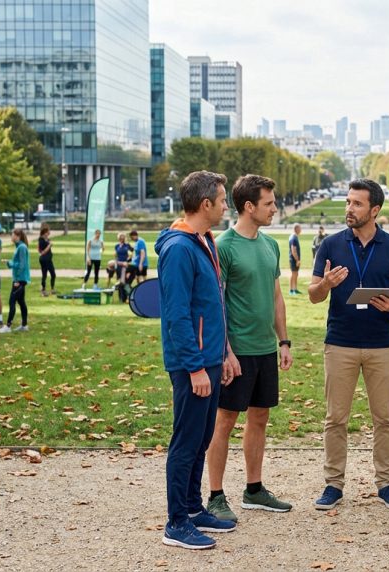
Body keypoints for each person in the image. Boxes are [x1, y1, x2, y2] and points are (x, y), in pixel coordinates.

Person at [309, 178, 389, 512]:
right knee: (335, 418)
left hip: (382, 344)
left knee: (384, 418)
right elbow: (313, 295)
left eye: (356, 203)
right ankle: (333, 484)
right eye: (348, 202)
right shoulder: (331, 245)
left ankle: (386, 483)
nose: (349, 209)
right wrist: (325, 284)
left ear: (375, 210)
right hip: (340, 342)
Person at [206, 174, 294, 523]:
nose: (275, 208)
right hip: (236, 351)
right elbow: (217, 303)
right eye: (269, 203)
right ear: (249, 206)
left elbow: (276, 297)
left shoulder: (271, 245)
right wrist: (225, 351)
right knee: (224, 421)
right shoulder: (224, 247)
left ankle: (254, 489)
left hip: (264, 350)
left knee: (259, 417)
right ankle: (215, 495)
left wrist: (283, 341)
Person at [157, 170, 237, 550]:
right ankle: (175, 523)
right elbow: (176, 316)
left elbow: (212, 305)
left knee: (201, 438)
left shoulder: (203, 241)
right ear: (206, 204)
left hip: (208, 360)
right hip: (192, 364)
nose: (226, 206)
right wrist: (194, 367)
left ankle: (191, 507)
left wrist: (221, 355)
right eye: (222, 200)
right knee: (186, 442)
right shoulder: (179, 249)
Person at [0, 228, 30, 333]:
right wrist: (10, 262)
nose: (11, 236)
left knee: (12, 301)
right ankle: (24, 325)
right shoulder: (19, 247)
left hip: (19, 279)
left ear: (18, 236)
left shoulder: (21, 247)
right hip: (20, 279)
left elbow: (22, 265)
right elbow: (19, 262)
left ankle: (8, 326)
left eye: (12, 234)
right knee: (21, 302)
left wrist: (11, 265)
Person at [37, 224, 56, 296]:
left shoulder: (47, 239)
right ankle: (43, 290)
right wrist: (49, 245)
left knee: (53, 274)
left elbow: (39, 250)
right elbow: (43, 251)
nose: (49, 233)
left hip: (49, 259)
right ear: (44, 232)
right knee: (44, 275)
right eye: (48, 232)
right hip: (44, 260)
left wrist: (49, 243)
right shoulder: (41, 240)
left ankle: (52, 289)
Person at [288, 224, 302, 295]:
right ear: (296, 229)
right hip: (293, 259)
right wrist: (297, 260)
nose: (301, 230)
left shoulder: (294, 237)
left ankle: (295, 289)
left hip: (294, 259)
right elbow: (293, 250)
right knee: (293, 274)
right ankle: (291, 290)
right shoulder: (293, 238)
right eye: (300, 229)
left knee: (296, 274)